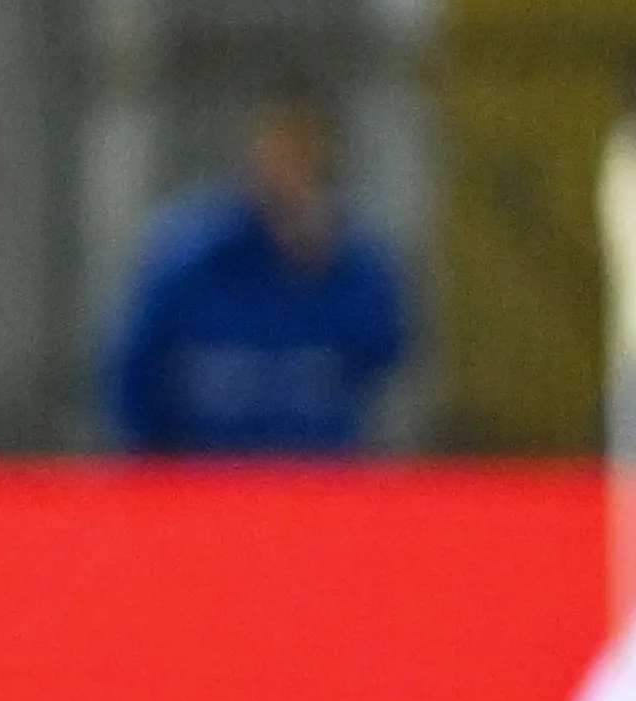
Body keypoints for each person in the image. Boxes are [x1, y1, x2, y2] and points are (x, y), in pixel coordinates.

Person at [102, 95, 408, 453]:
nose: (290, 175)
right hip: (203, 479)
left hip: (315, 481)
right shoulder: (190, 258)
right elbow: (132, 371)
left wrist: (318, 263)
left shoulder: (352, 264)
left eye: (305, 158)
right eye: (281, 154)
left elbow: (385, 353)